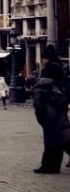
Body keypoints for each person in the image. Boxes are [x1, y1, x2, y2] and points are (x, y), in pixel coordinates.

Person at [30, 45, 70, 174]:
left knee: (52, 138)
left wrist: (40, 114)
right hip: (60, 106)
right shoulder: (61, 68)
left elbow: (39, 100)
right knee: (60, 137)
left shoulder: (47, 73)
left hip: (50, 109)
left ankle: (49, 166)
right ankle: (54, 165)